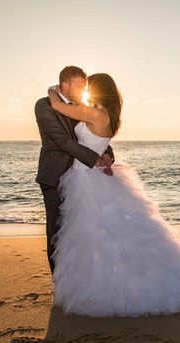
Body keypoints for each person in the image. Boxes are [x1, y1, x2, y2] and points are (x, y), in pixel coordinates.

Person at [45, 72, 180, 317]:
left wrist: (53, 89)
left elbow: (56, 105)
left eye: (89, 87)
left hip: (87, 180)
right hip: (94, 176)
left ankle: (103, 289)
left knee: (93, 237)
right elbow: (96, 143)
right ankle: (107, 282)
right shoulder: (106, 114)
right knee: (106, 237)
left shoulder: (94, 113)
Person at [34, 66, 115, 274]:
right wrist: (93, 158)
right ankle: (59, 282)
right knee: (57, 231)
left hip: (83, 178)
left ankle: (82, 276)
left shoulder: (83, 107)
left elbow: (96, 135)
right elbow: (62, 140)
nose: (82, 90)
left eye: (84, 86)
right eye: (79, 86)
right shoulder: (44, 105)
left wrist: (108, 156)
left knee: (82, 231)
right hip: (55, 175)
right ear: (64, 85)